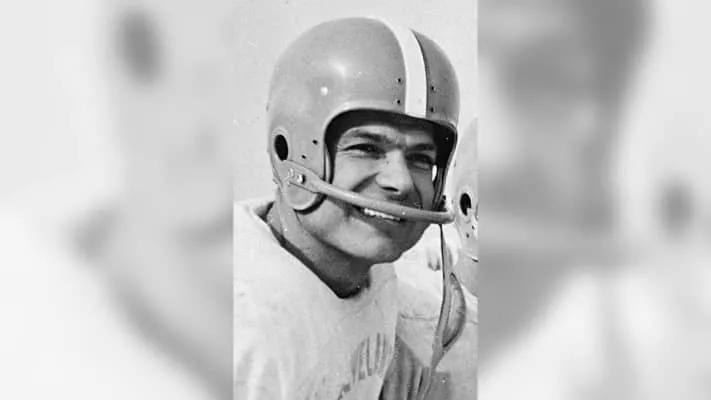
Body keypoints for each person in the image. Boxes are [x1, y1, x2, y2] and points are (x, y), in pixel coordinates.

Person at [234, 17, 469, 399]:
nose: (401, 182)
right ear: (288, 150)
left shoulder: (373, 273)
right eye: (367, 148)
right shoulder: (245, 329)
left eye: (421, 158)